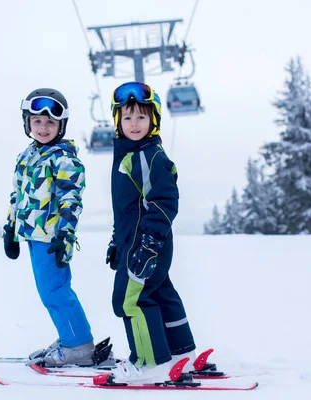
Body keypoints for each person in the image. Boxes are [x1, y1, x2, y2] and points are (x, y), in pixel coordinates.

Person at [105, 81, 197, 383]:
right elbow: (129, 209)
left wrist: (148, 243)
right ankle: (181, 353)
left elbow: (164, 200)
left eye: (141, 117)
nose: (134, 124)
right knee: (160, 292)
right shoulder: (132, 155)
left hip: (147, 244)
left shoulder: (147, 156)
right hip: (137, 241)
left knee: (131, 300)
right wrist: (117, 241)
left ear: (153, 120)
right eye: (128, 117)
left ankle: (150, 363)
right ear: (118, 120)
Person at [3, 88, 95, 367]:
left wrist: (65, 235)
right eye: (37, 121)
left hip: (52, 237)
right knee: (49, 291)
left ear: (61, 125)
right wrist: (10, 228)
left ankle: (78, 347)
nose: (43, 128)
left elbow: (71, 199)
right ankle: (71, 336)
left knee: (55, 291)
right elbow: (16, 194)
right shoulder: (26, 156)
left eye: (50, 123)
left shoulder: (63, 158)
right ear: (27, 123)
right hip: (32, 235)